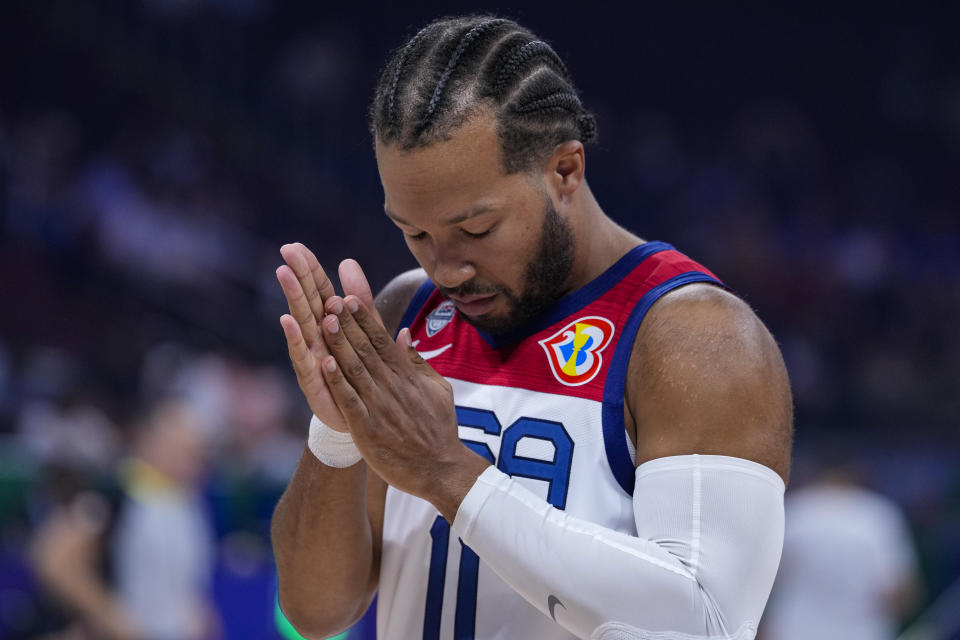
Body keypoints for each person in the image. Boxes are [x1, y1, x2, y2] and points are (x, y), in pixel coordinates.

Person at [271, 15, 793, 640]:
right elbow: (315, 612)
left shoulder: (693, 340)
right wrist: (334, 437)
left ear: (565, 170)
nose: (446, 267)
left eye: (476, 229)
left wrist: (447, 472)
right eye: (414, 233)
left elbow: (707, 623)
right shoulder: (408, 314)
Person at [762, 453, 920, 640]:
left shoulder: (793, 510)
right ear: (858, 474)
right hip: (862, 633)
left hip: (793, 631)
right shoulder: (878, 515)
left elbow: (761, 580)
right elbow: (901, 594)